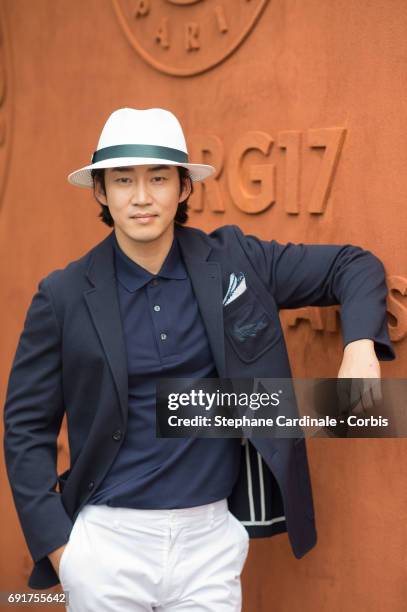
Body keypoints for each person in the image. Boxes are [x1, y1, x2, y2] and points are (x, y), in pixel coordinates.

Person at [3, 107, 396, 611]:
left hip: (209, 543)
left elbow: (352, 264)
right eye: (123, 180)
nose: (141, 196)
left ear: (184, 188)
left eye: (158, 178)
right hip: (107, 543)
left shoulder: (236, 262)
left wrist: (360, 344)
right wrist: (63, 552)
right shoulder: (63, 295)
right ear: (100, 191)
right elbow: (25, 428)